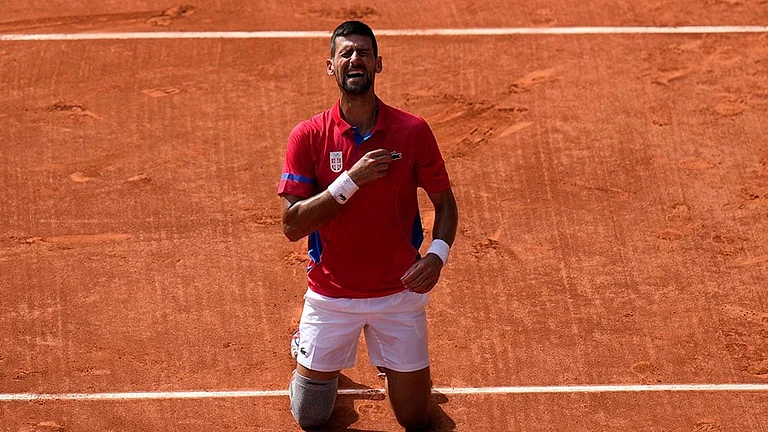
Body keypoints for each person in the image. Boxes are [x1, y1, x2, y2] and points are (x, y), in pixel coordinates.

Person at [278, 20, 459, 431]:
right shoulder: (307, 136)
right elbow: (292, 225)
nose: (354, 59)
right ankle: (304, 348)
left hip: (398, 293)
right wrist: (350, 181)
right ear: (331, 67)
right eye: (345, 54)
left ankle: (392, 365)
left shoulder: (412, 131)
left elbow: (445, 204)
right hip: (331, 296)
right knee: (310, 416)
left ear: (379, 64)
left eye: (363, 53)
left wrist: (437, 255)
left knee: (415, 418)